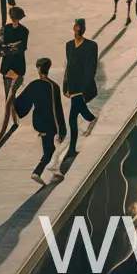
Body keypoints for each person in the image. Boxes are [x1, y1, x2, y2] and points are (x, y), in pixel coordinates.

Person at [16, 57, 65, 178]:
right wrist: (61, 129)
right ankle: (38, 172)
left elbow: (21, 102)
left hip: (38, 121)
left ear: (38, 69)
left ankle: (46, 170)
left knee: (49, 148)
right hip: (50, 122)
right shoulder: (53, 86)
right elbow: (57, 109)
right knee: (50, 150)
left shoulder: (34, 85)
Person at [61, 19, 100, 166]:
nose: (77, 30)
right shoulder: (69, 45)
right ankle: (91, 118)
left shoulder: (91, 46)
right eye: (75, 27)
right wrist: (65, 85)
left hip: (82, 84)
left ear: (83, 29)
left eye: (79, 28)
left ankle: (72, 149)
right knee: (74, 116)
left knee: (72, 118)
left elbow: (92, 66)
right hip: (72, 84)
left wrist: (86, 85)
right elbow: (68, 66)